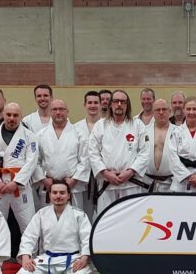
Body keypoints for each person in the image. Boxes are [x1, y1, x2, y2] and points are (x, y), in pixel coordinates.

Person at [16, 180, 94, 274]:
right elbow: (29, 236)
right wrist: (26, 256)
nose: (58, 196)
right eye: (54, 192)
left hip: (72, 260)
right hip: (47, 260)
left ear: (68, 195)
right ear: (49, 195)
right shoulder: (41, 214)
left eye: (62, 193)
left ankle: (66, 273)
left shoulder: (79, 215)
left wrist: (84, 258)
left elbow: (87, 238)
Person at [0, 102, 39, 236]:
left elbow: (32, 161)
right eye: (8, 114)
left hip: (20, 186)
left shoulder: (29, 135)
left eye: (15, 115)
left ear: (21, 116)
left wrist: (17, 182)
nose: (11, 118)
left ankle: (29, 250)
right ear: (3, 115)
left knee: (28, 225)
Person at [88, 90, 150, 213]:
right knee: (106, 218)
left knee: (131, 218)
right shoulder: (100, 125)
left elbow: (145, 152)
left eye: (123, 102)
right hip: (107, 183)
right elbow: (93, 152)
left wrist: (130, 172)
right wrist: (105, 173)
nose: (119, 104)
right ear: (111, 104)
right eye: (116, 101)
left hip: (130, 184)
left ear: (128, 105)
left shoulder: (137, 125)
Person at [37, 98, 88, 212]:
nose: (58, 112)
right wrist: (44, 179)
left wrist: (74, 180)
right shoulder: (40, 135)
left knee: (74, 218)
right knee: (48, 219)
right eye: (54, 109)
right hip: (49, 187)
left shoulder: (79, 133)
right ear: (50, 112)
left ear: (67, 111)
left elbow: (85, 160)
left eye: (61, 109)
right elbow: (35, 161)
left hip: (72, 187)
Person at [74, 90, 103, 220]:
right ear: (84, 105)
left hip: (103, 175)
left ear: (101, 104)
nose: (93, 105)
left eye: (96, 102)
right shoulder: (76, 128)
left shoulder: (107, 125)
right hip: (83, 176)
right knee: (84, 212)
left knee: (103, 212)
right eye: (90, 102)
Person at [142, 99, 174, 193]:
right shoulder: (143, 131)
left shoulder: (178, 132)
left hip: (170, 183)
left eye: (164, 109)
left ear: (170, 111)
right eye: (157, 110)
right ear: (153, 112)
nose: (161, 112)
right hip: (146, 181)